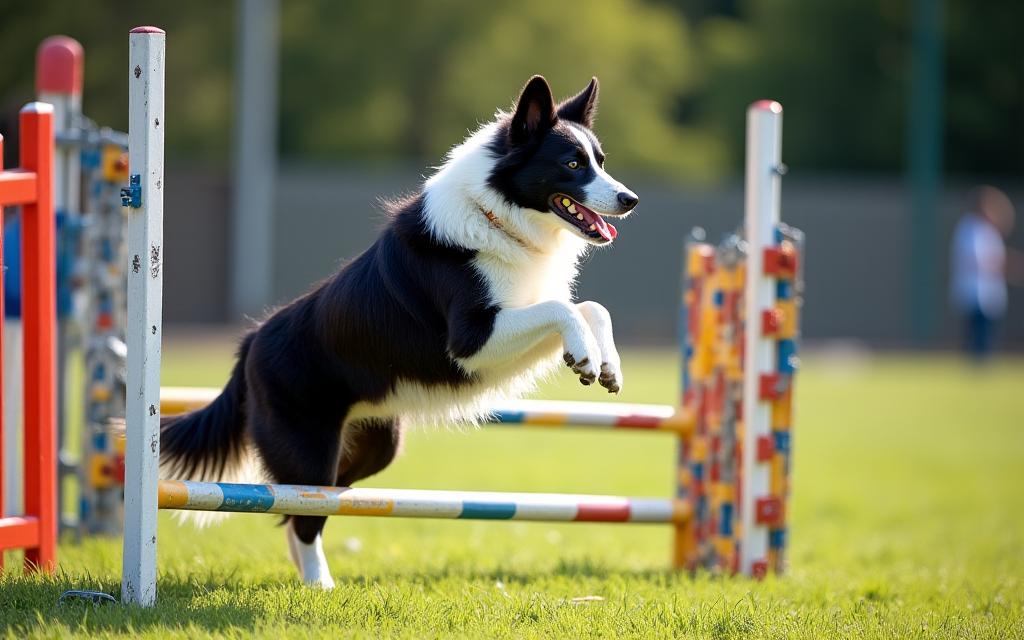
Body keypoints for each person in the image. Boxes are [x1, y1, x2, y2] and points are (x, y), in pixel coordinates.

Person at [949, 186, 1018, 360]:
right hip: (975, 294)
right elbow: (982, 261)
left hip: (987, 294)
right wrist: (1012, 267)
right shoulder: (971, 228)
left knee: (985, 340)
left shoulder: (987, 230)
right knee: (977, 340)